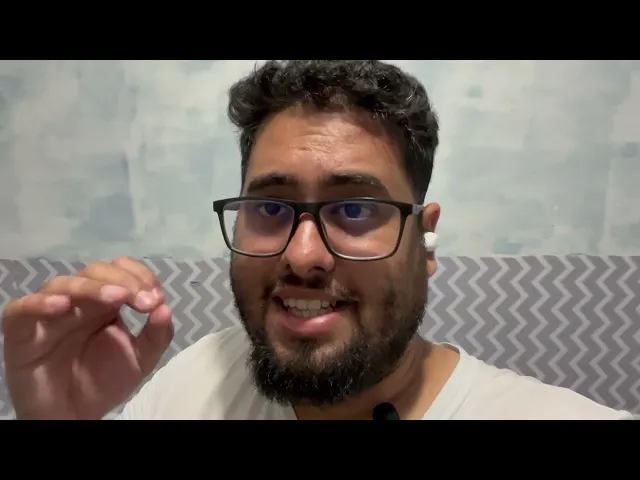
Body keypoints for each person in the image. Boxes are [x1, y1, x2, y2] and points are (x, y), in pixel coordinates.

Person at [1, 60, 631, 420]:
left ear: (424, 240)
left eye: (354, 208)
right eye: (270, 207)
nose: (302, 256)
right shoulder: (196, 382)